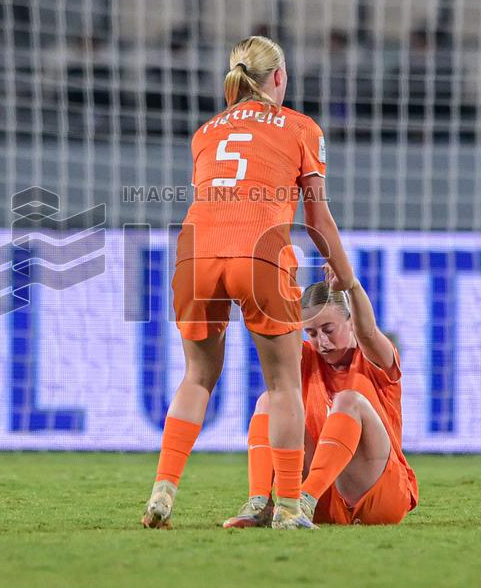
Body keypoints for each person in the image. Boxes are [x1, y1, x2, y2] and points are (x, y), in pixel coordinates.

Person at [141, 35, 356, 530]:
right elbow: (317, 220)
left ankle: (163, 492)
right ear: (278, 77)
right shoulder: (301, 128)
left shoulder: (204, 133)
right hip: (258, 253)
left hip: (195, 254)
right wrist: (343, 275)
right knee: (283, 384)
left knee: (197, 376)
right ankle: (286, 508)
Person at [223, 264, 418, 527]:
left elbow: (368, 332)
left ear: (350, 323)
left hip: (380, 495)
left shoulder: (374, 359)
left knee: (348, 400)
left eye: (328, 329)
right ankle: (261, 504)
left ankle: (303, 500)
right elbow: (276, 335)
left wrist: (352, 285)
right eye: (312, 333)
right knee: (268, 401)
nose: (322, 341)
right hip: (324, 503)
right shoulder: (303, 357)